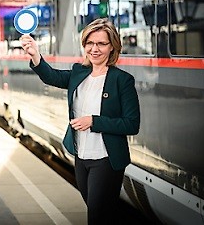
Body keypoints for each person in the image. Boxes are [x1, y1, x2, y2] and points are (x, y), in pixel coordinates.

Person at [20, 18, 140, 225]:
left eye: (101, 43)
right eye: (90, 43)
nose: (94, 49)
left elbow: (131, 124)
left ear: (112, 47)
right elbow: (53, 77)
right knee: (99, 212)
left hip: (106, 159)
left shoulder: (122, 80)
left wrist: (94, 121)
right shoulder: (79, 73)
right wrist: (36, 55)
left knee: (97, 216)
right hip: (81, 157)